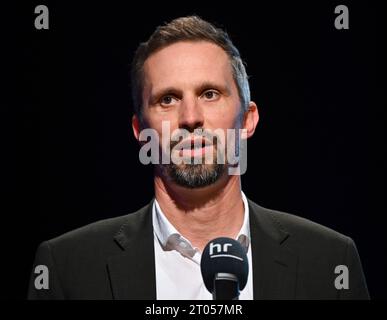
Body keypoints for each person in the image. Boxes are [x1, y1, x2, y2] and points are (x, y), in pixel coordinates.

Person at [28, 16, 369, 300]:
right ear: (139, 129)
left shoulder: (329, 263)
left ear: (248, 119)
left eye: (209, 93)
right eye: (168, 99)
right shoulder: (68, 269)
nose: (190, 117)